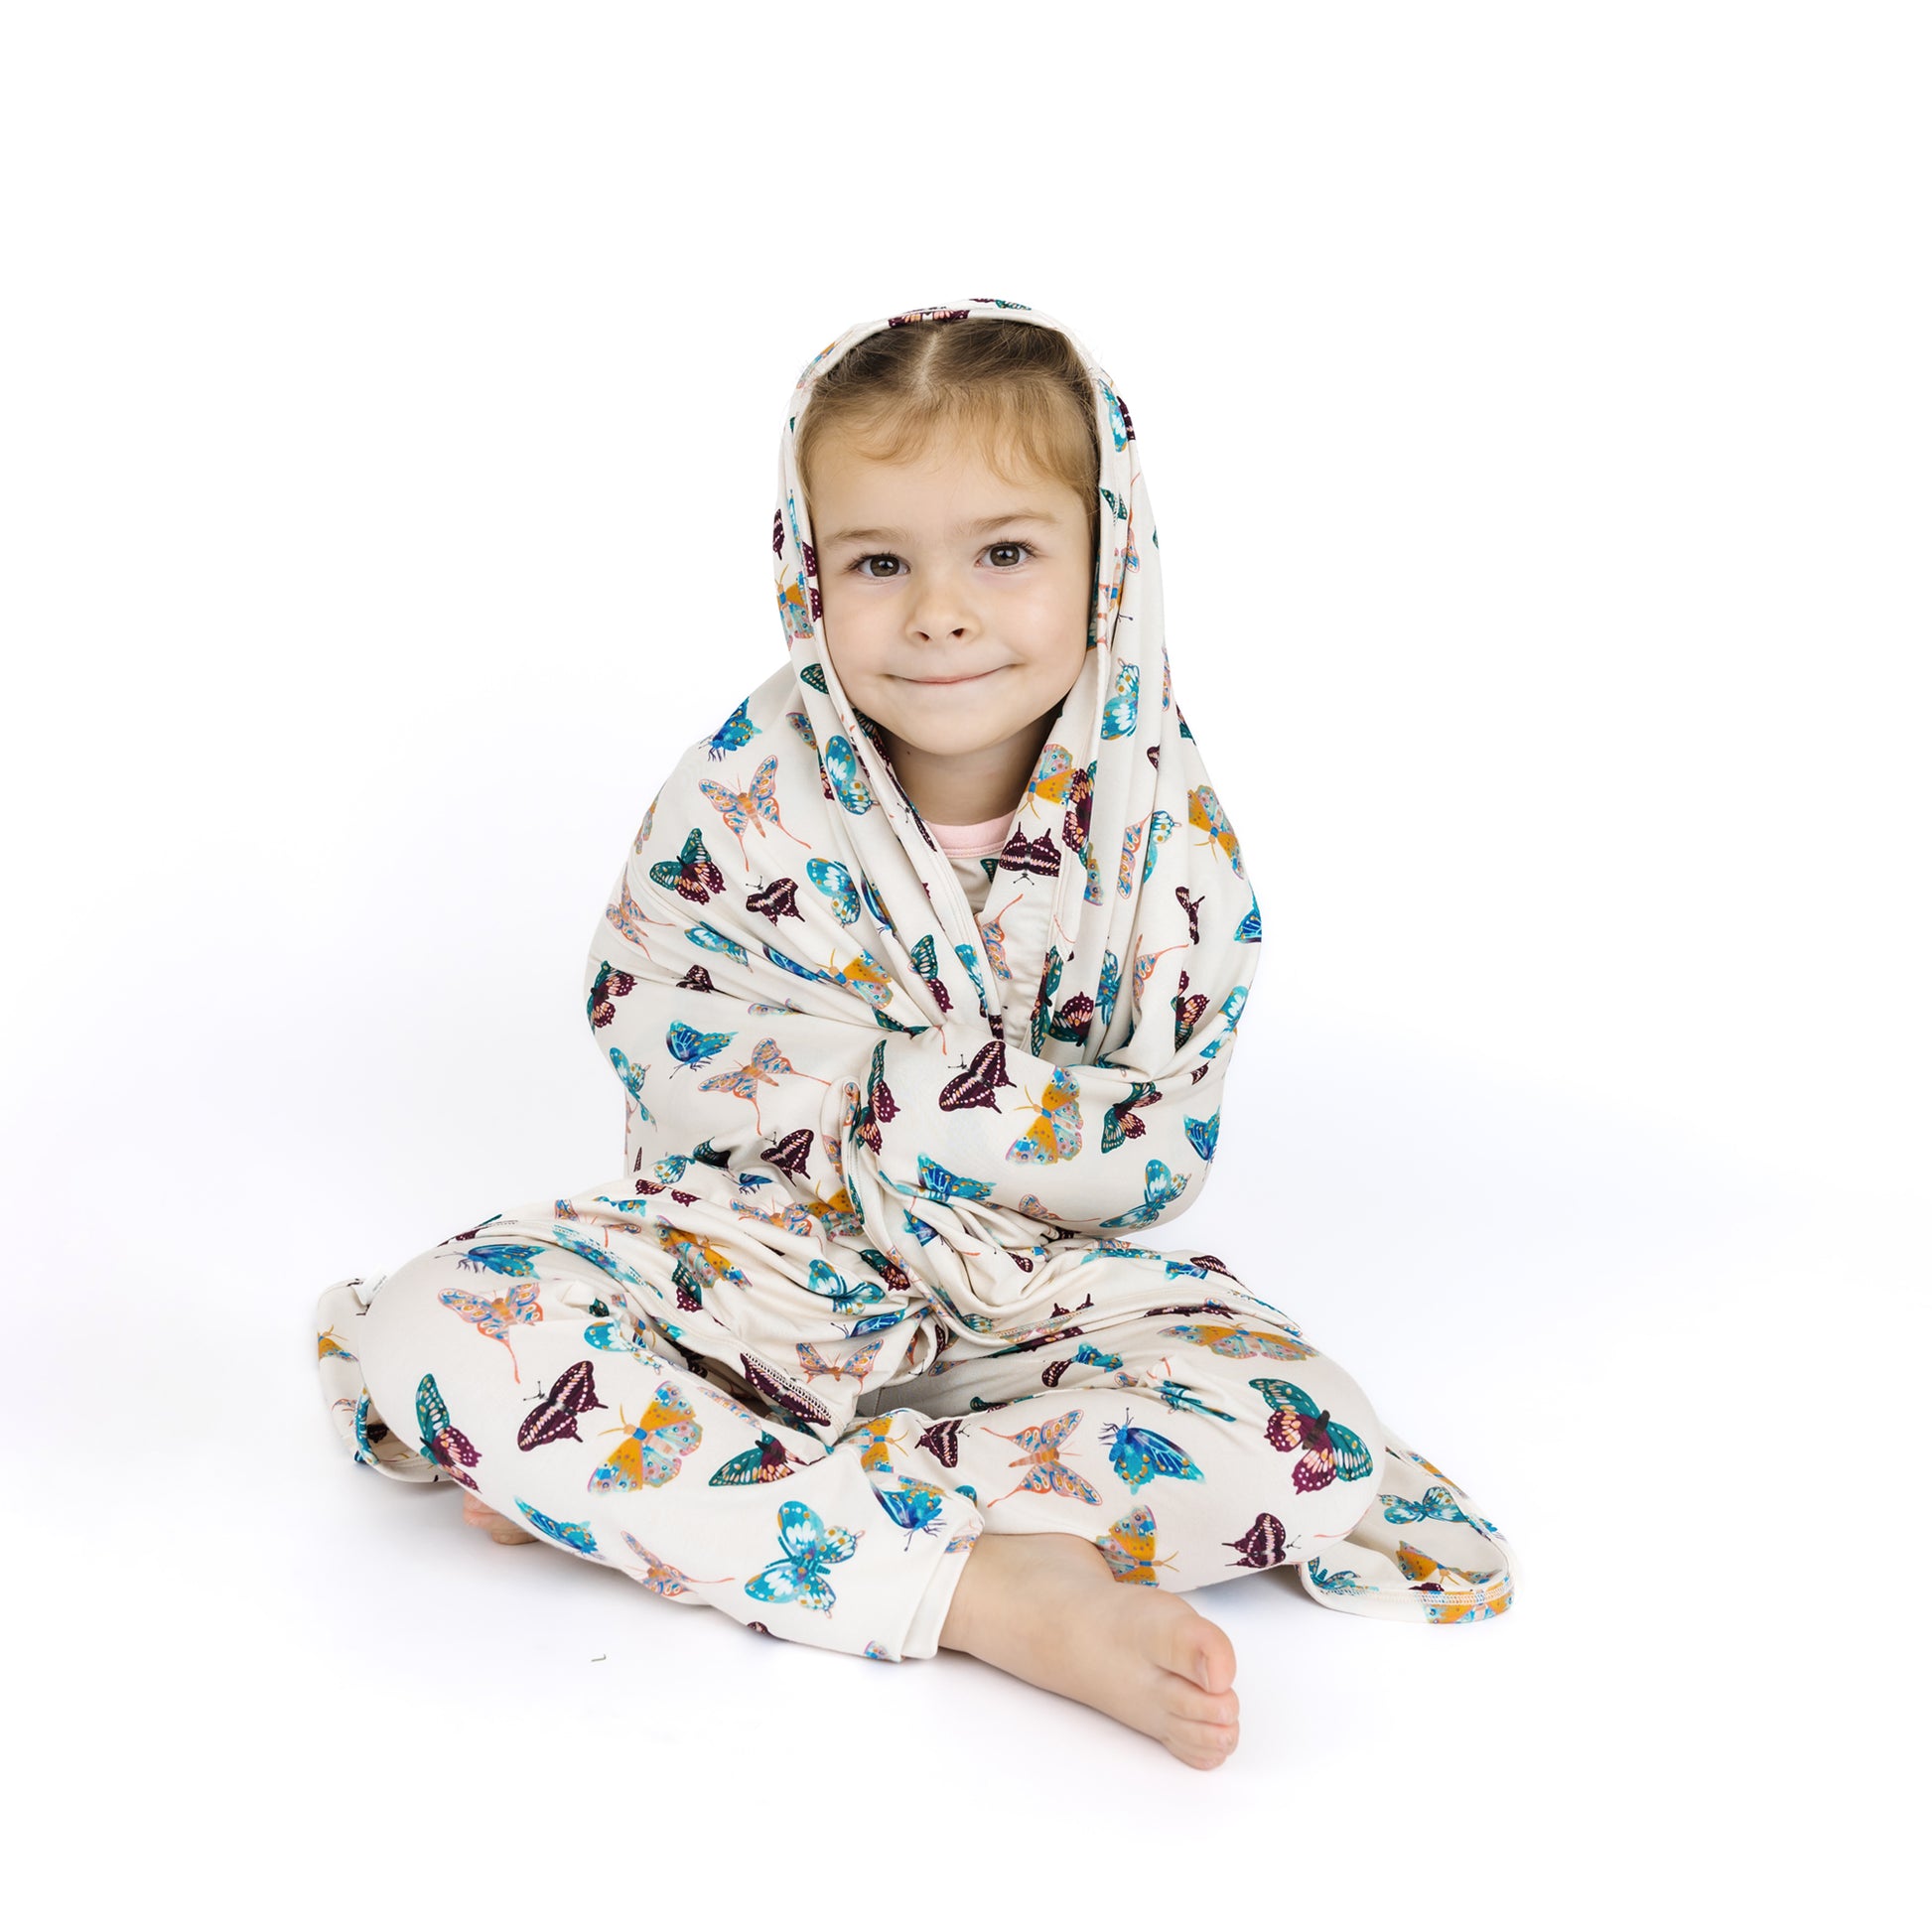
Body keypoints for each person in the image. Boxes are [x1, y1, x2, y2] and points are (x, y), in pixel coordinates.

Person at [314, 298, 1515, 1773]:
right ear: (805, 571)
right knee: (433, 1322)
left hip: (1035, 1298)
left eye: (1003, 553)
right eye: (879, 563)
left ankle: (661, 1490)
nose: (939, 610)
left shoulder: (1163, 844)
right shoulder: (741, 799)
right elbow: (669, 1036)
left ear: (1108, 564)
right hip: (757, 1270)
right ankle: (990, 1585)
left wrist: (921, 1113)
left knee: (1301, 1432)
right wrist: (896, 1127)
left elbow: (1149, 1142)